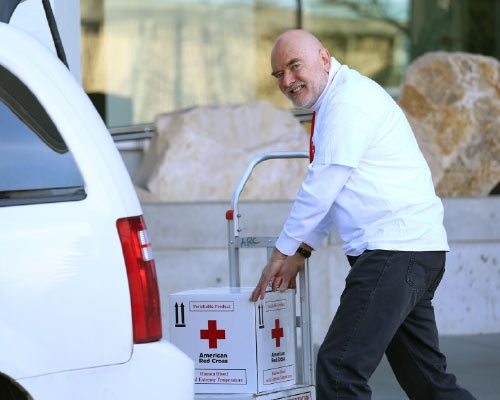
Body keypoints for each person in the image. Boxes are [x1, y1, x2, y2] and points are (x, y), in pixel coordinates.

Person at [250, 29, 476, 400]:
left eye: (294, 67)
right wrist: (302, 250)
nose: (287, 81)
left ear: (324, 59)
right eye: (279, 75)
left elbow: (322, 185)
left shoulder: (348, 103)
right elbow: (335, 188)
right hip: (410, 253)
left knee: (339, 370)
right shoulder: (339, 100)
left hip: (394, 254)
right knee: (427, 382)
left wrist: (281, 252)